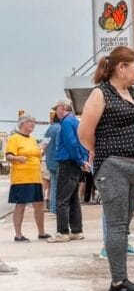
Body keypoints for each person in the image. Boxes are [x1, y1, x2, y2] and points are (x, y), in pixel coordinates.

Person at [78, 46, 134, 291]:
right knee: (117, 225)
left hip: (132, 165)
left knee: (124, 225)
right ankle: (118, 283)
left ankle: (121, 279)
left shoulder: (131, 92)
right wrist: (103, 151)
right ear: (121, 67)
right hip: (113, 165)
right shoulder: (101, 93)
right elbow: (84, 133)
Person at [48, 99, 89, 243]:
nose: (56, 112)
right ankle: (77, 230)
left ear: (62, 107)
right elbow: (82, 142)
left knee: (62, 200)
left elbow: (71, 143)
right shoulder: (75, 122)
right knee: (73, 199)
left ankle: (62, 232)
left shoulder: (65, 122)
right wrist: (83, 160)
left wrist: (79, 160)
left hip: (68, 163)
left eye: (57, 108)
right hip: (76, 164)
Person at [5, 115, 50, 242]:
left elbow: (38, 155)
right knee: (21, 204)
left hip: (35, 177)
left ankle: (41, 233)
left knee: (39, 204)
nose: (33, 124)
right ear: (22, 123)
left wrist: (43, 149)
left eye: (34, 122)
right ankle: (18, 235)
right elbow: (8, 156)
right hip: (21, 177)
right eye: (31, 122)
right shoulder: (14, 138)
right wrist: (17, 158)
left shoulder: (32, 139)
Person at [42, 110, 61, 213]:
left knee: (53, 186)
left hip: (50, 162)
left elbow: (43, 146)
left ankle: (53, 209)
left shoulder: (49, 129)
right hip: (59, 161)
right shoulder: (60, 128)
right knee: (60, 186)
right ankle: (57, 208)